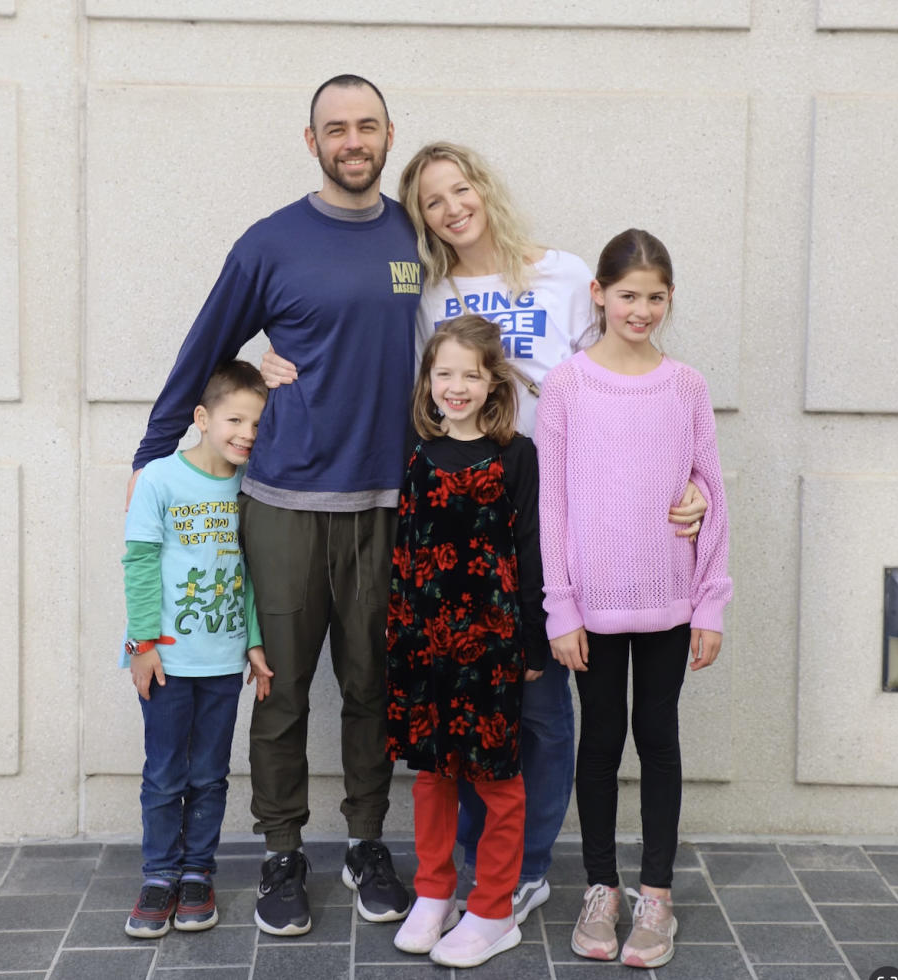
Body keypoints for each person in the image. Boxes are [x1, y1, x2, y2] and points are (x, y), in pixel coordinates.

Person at [261, 141, 709, 924]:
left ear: (483, 187)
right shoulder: (425, 291)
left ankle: (528, 867)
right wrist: (278, 358)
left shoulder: (568, 275)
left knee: (539, 703)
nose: (450, 208)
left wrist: (692, 486)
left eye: (458, 189)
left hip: (554, 510)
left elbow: (622, 383)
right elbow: (378, 364)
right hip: (463, 521)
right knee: (464, 703)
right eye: (431, 201)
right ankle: (473, 870)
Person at [127, 74, 420, 937]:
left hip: (385, 503)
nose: (353, 140)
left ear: (389, 134)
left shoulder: (414, 233)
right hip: (285, 502)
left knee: (371, 688)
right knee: (282, 690)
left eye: (367, 126)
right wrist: (153, 456)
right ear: (312, 141)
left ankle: (366, 841)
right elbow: (207, 349)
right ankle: (283, 852)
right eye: (337, 128)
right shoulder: (269, 243)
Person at [535, 229, 732, 969]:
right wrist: (561, 608)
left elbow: (710, 487)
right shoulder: (568, 386)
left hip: (669, 603)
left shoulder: (685, 385)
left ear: (669, 299)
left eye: (655, 297)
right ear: (599, 296)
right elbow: (553, 504)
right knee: (599, 742)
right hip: (592, 604)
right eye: (627, 296)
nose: (641, 310)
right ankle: (600, 889)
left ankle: (657, 898)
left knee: (659, 740)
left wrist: (710, 601)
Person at [386, 314, 545, 968]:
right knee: (432, 775)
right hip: (424, 640)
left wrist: (533, 642)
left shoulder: (516, 455)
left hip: (491, 644)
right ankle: (434, 891)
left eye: (469, 375)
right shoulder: (415, 450)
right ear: (428, 380)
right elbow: (401, 545)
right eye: (443, 373)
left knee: (497, 780)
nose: (455, 386)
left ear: (492, 383)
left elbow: (530, 550)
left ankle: (494, 908)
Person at [122, 360, 273, 939]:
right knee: (165, 773)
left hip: (222, 659)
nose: (247, 434)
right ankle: (159, 875)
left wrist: (255, 643)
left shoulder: (253, 486)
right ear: (203, 418)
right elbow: (137, 562)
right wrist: (142, 644)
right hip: (164, 659)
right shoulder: (160, 478)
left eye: (258, 424)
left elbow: (256, 572)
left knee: (209, 775)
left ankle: (196, 874)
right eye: (236, 419)